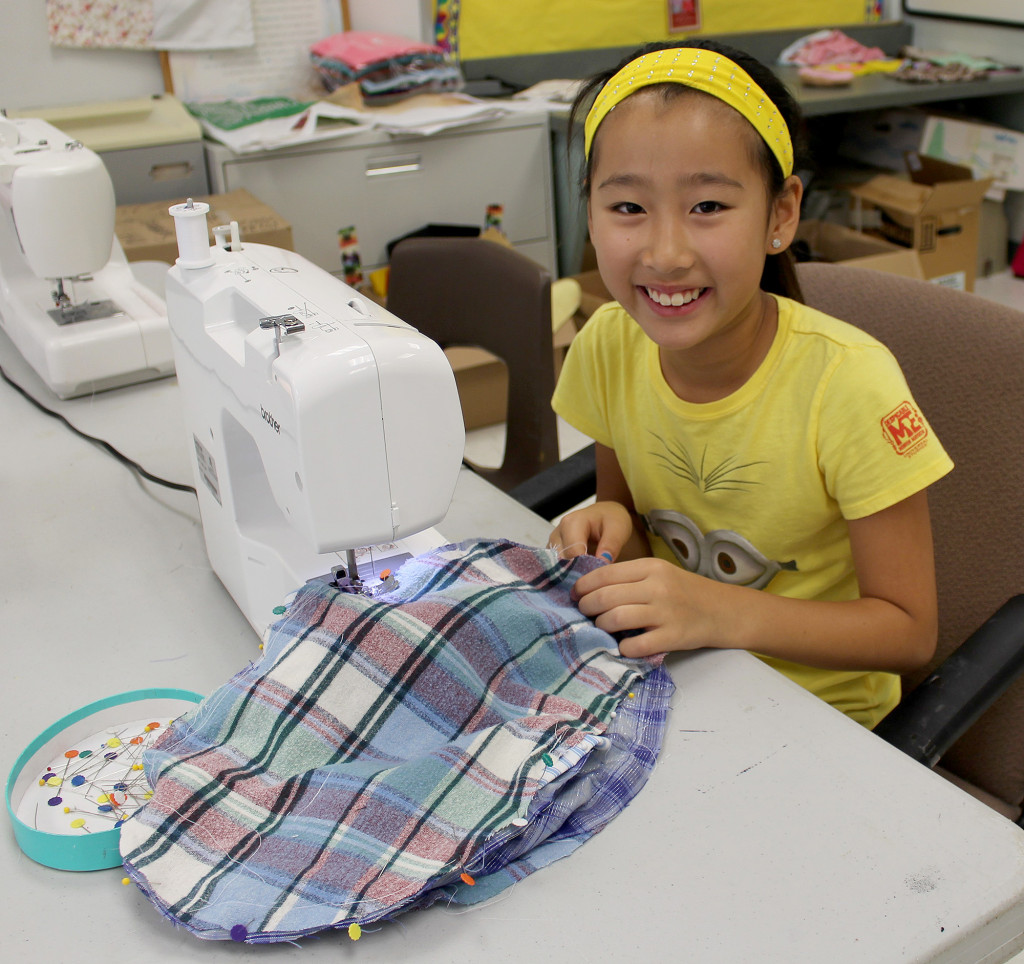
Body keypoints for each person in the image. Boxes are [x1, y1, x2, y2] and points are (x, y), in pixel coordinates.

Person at [549, 39, 954, 729]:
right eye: (626, 208)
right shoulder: (609, 345)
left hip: (820, 719)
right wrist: (613, 526)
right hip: (678, 677)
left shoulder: (849, 384)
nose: (665, 252)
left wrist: (716, 611)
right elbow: (637, 526)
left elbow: (909, 631)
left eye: (707, 206)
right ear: (588, 211)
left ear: (781, 215)